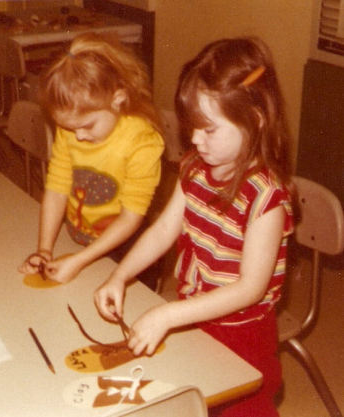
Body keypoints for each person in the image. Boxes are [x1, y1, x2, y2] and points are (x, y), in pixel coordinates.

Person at [94, 37, 295, 417]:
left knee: (239, 407)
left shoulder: (266, 199)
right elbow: (163, 230)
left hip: (243, 333)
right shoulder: (195, 168)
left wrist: (167, 316)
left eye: (209, 130)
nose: (194, 140)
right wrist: (120, 276)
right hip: (195, 313)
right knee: (192, 400)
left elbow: (251, 288)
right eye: (192, 128)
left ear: (255, 118)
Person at [19, 32, 164, 288]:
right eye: (69, 128)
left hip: (128, 249)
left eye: (87, 126)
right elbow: (56, 188)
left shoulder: (143, 142)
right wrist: (44, 250)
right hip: (80, 241)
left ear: (118, 99)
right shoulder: (72, 129)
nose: (79, 136)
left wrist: (79, 261)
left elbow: (130, 219)